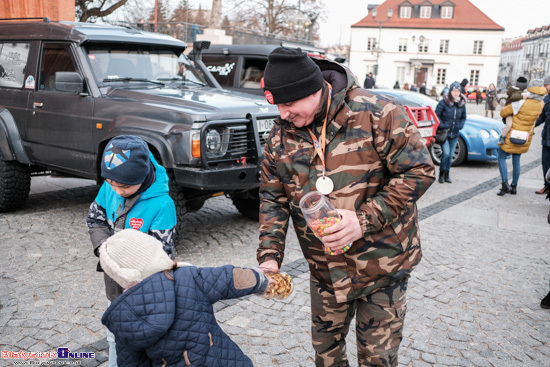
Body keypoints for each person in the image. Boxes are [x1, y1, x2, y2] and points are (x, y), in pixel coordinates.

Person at [257, 47, 435, 366]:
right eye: (278, 106)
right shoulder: (280, 136)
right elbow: (273, 198)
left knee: (377, 358)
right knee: (325, 355)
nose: (283, 114)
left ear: (313, 90)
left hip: (382, 266)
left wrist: (363, 220)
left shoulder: (377, 112)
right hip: (326, 270)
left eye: (288, 104)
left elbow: (420, 170)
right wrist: (270, 258)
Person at [100, 229, 273, 367]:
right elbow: (230, 278)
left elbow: (131, 362)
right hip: (222, 360)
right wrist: (261, 282)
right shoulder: (187, 278)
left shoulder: (123, 317)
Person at [87, 135, 177, 366]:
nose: (117, 191)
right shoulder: (110, 188)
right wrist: (103, 250)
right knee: (114, 336)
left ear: (143, 175)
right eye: (110, 183)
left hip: (146, 291)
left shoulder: (161, 204)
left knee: (147, 340)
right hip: (114, 283)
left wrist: (136, 280)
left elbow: (161, 255)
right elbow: (95, 219)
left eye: (124, 186)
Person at [496, 79, 546, 196]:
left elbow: (503, 112)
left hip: (511, 134)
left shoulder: (522, 101)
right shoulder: (541, 103)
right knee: (516, 161)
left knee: (501, 157)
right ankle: (514, 187)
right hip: (524, 136)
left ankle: (504, 185)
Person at [435, 81, 467, 184]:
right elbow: (436, 116)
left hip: (455, 133)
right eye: (454, 91)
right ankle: (441, 173)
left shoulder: (461, 103)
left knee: (451, 155)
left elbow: (463, 117)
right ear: (450, 91)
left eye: (458, 91)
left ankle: (447, 174)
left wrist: (460, 125)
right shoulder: (444, 102)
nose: (456, 93)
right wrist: (443, 125)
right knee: (446, 153)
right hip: (444, 133)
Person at [499, 76, 530, 145]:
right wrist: (522, 96)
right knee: (509, 125)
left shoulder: (523, 91)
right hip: (510, 112)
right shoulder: (514, 91)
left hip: (518, 112)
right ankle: (502, 136)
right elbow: (514, 97)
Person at [534, 75, 550, 195]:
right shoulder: (546, 100)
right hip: (547, 138)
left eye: (546, 85)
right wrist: (529, 126)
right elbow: (540, 118)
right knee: (545, 163)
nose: (545, 88)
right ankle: (547, 186)